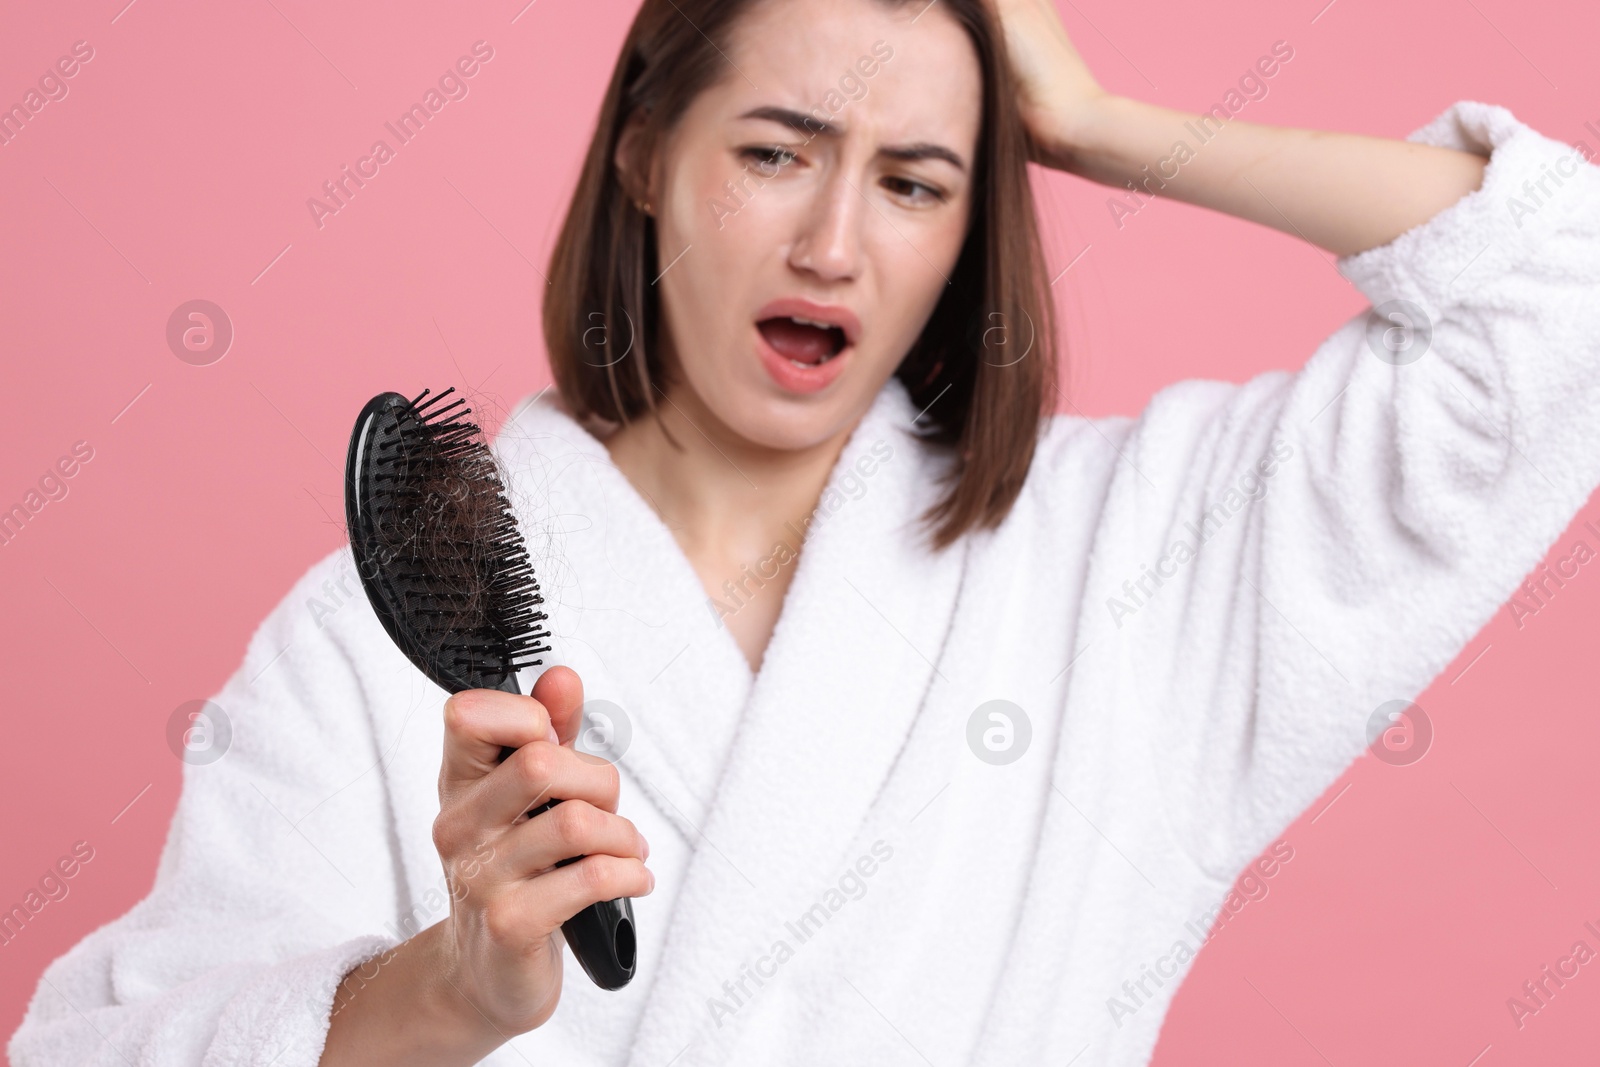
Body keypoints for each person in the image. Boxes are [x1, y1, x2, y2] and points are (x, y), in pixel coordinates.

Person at [13, 0, 1600, 1063]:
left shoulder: (1130, 565)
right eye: (773, 154)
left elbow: (1558, 293)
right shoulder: (375, 640)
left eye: (916, 183)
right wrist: (450, 992)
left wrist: (1094, 118)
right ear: (644, 156)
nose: (835, 243)